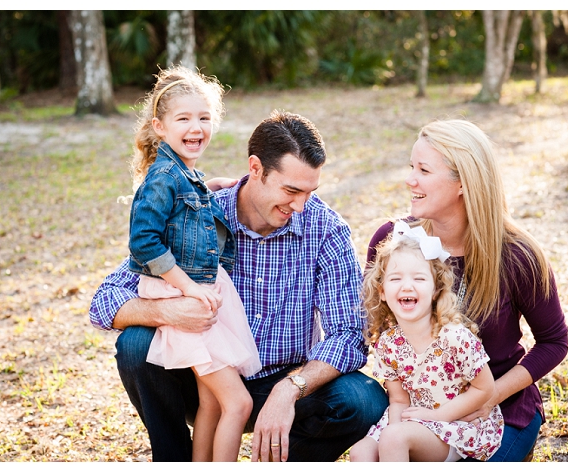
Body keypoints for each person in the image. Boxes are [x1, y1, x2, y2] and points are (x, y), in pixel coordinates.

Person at [89, 108, 389, 462]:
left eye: (309, 192)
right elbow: (104, 301)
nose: (301, 205)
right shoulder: (198, 213)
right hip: (205, 383)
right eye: (291, 190)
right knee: (137, 344)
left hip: (284, 377)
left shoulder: (326, 229)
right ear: (255, 168)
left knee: (363, 399)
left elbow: (349, 334)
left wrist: (290, 389)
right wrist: (169, 311)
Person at [363, 119, 568, 462]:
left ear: (463, 183)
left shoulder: (518, 256)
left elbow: (554, 342)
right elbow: (380, 327)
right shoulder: (394, 242)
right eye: (411, 166)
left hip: (497, 414)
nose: (409, 179)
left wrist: (490, 395)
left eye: (424, 170)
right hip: (421, 410)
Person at [124, 66, 261, 462]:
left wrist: (210, 187)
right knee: (237, 403)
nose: (196, 127)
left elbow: (187, 214)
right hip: (182, 293)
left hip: (201, 289)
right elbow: (143, 242)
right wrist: (189, 289)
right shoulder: (163, 176)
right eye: (183, 119)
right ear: (160, 127)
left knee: (213, 405)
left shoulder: (185, 173)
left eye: (204, 118)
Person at [350, 221, 504, 462]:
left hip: (456, 423)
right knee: (361, 451)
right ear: (381, 291)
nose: (407, 286)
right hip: (414, 418)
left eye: (419, 279)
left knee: (395, 439)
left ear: (435, 290)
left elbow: (486, 388)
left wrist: (438, 416)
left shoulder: (454, 337)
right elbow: (399, 399)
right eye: (396, 279)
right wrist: (395, 429)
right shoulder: (388, 344)